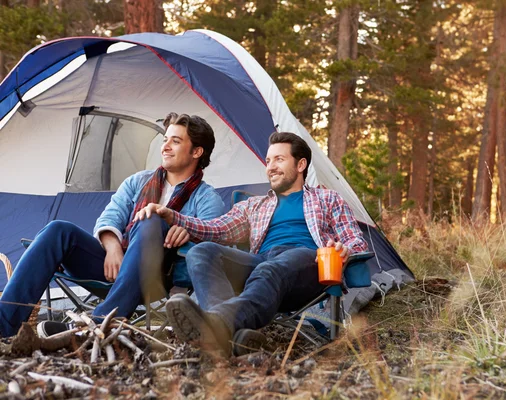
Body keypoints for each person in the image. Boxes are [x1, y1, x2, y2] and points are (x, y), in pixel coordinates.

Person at [135, 131, 368, 356]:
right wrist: (172, 215)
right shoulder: (254, 205)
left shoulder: (327, 198)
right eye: (268, 160)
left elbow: (356, 240)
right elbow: (217, 228)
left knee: (270, 267)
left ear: (300, 165)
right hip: (262, 267)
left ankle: (218, 324)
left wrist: (344, 249)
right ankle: (227, 335)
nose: (270, 167)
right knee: (202, 252)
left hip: (308, 264)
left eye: (279, 159)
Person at [0, 112, 225, 338]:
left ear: (197, 151)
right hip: (113, 267)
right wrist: (112, 246)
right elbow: (110, 217)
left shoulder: (206, 199)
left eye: (175, 141)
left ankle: (99, 324)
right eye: (165, 139)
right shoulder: (138, 181)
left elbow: (212, 245)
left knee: (152, 218)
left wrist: (187, 231)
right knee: (57, 230)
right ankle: (4, 324)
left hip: (157, 276)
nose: (165, 146)